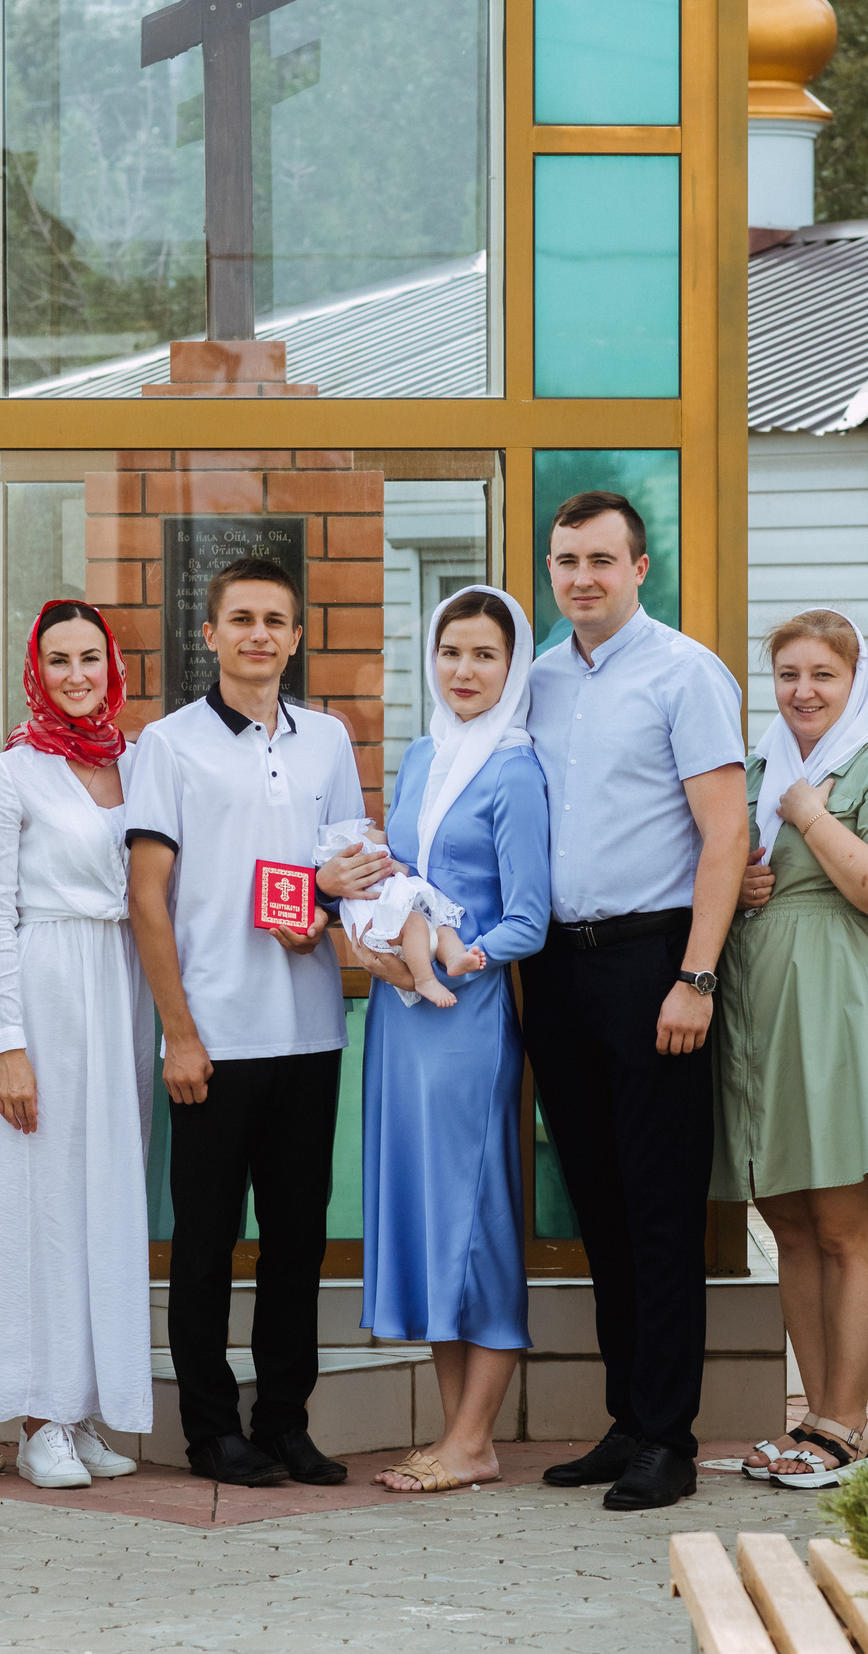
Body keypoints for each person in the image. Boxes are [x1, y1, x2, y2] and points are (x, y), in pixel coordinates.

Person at [518, 490, 749, 1512]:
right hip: (557, 970)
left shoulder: (685, 673)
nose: (583, 578)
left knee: (659, 1208)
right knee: (599, 1206)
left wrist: (696, 976)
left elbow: (726, 833)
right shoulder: (535, 682)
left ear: (640, 568)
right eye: (567, 560)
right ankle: (626, 1418)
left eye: (601, 560)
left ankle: (669, 1437)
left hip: (654, 963)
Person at [127, 555, 366, 1491]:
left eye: (275, 620)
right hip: (215, 1036)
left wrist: (327, 905)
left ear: (296, 637)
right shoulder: (168, 744)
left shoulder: (329, 740)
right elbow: (148, 897)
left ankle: (285, 1424)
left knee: (297, 1244)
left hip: (309, 1031)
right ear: (211, 634)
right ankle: (211, 1430)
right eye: (241, 618)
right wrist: (179, 1033)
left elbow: (350, 870)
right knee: (204, 1245)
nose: (258, 634)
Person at [724, 609, 868, 1489]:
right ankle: (813, 1416)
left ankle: (849, 1422)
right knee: (789, 1222)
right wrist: (735, 883)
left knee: (848, 1223)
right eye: (788, 674)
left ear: (857, 683)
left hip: (843, 1010)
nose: (803, 691)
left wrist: (811, 817)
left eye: (823, 674)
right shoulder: (755, 769)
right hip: (761, 1012)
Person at [0, 602, 154, 1490]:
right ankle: (37, 1418)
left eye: (91, 658)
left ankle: (81, 1405)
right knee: (39, 1199)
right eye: (59, 659)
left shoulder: (139, 764)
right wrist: (9, 1043)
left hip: (122, 986)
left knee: (102, 1193)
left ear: (113, 667)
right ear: (37, 670)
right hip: (45, 989)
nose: (77, 675)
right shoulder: (9, 774)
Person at [357, 587, 551, 1495]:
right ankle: (458, 1436)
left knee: (477, 1221)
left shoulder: (515, 770)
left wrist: (460, 956)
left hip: (465, 1018)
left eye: (485, 655)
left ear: (514, 668)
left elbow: (529, 918)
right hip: (400, 1017)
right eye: (450, 652)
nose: (464, 670)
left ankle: (474, 1439)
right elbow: (404, 873)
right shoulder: (422, 753)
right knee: (434, 1222)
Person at [317, 816, 485, 1009]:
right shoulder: (365, 873)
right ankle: (425, 980)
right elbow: (391, 887)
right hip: (386, 933)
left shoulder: (380, 866)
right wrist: (394, 867)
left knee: (444, 930)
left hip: (412, 934)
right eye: (373, 830)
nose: (382, 832)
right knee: (415, 923)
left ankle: (455, 958)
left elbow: (403, 877)